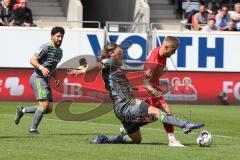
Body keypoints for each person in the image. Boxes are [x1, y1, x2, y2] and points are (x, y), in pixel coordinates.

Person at [68, 43, 204, 145]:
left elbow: (119, 84)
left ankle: (105, 139)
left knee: (136, 139)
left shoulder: (115, 69)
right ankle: (185, 124)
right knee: (157, 111)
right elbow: (98, 65)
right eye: (120, 53)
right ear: (111, 54)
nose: (122, 55)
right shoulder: (109, 62)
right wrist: (83, 70)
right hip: (126, 103)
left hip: (119, 109)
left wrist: (132, 87)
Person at [15, 26, 65, 135]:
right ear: (52, 36)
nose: (60, 38)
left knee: (48, 108)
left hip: (46, 80)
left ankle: (22, 110)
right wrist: (41, 68)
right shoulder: (45, 47)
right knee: (44, 105)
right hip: (38, 77)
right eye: (58, 36)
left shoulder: (60, 52)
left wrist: (56, 77)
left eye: (62, 36)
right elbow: (32, 60)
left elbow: (52, 67)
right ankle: (33, 130)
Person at [142, 36, 185, 147]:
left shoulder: (161, 53)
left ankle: (131, 125)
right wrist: (154, 91)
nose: (174, 53)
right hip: (148, 89)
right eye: (173, 50)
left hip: (155, 87)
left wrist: (161, 71)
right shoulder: (153, 61)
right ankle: (172, 140)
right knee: (163, 113)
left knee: (162, 114)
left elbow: (155, 73)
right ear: (166, 47)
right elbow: (145, 82)